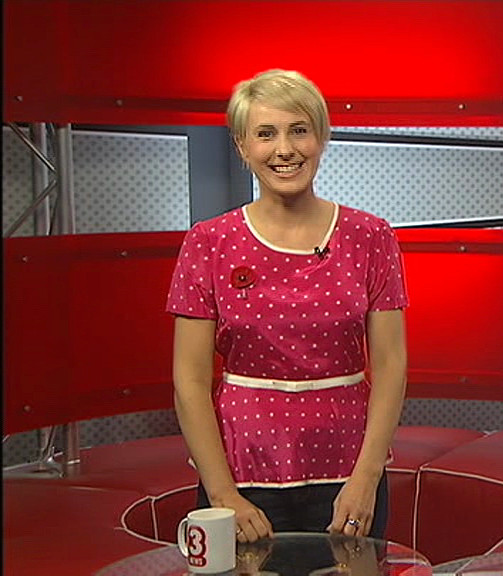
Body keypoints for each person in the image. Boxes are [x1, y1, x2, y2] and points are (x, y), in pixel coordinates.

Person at [166, 69, 409, 543]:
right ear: (242, 146)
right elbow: (189, 380)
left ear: (321, 138)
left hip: (349, 475)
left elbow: (391, 365)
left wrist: (366, 480)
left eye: (299, 130)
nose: (285, 149)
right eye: (265, 134)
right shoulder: (208, 242)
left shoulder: (371, 236)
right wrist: (223, 495)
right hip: (239, 474)